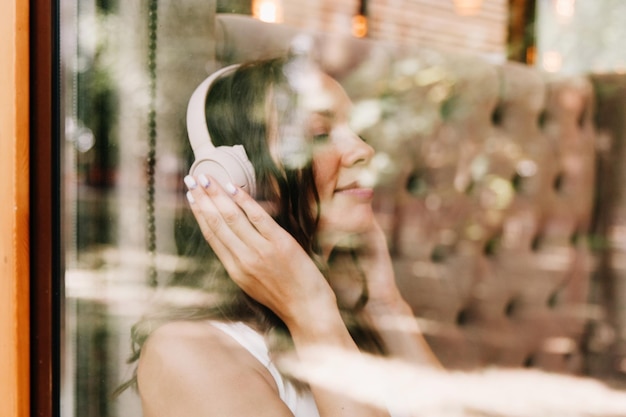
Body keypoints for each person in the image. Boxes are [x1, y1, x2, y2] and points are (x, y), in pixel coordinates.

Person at [131, 54, 441, 417]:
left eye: (357, 131)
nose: (363, 150)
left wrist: (385, 304)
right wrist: (312, 316)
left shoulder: (354, 318)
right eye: (320, 134)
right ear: (236, 177)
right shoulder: (187, 353)